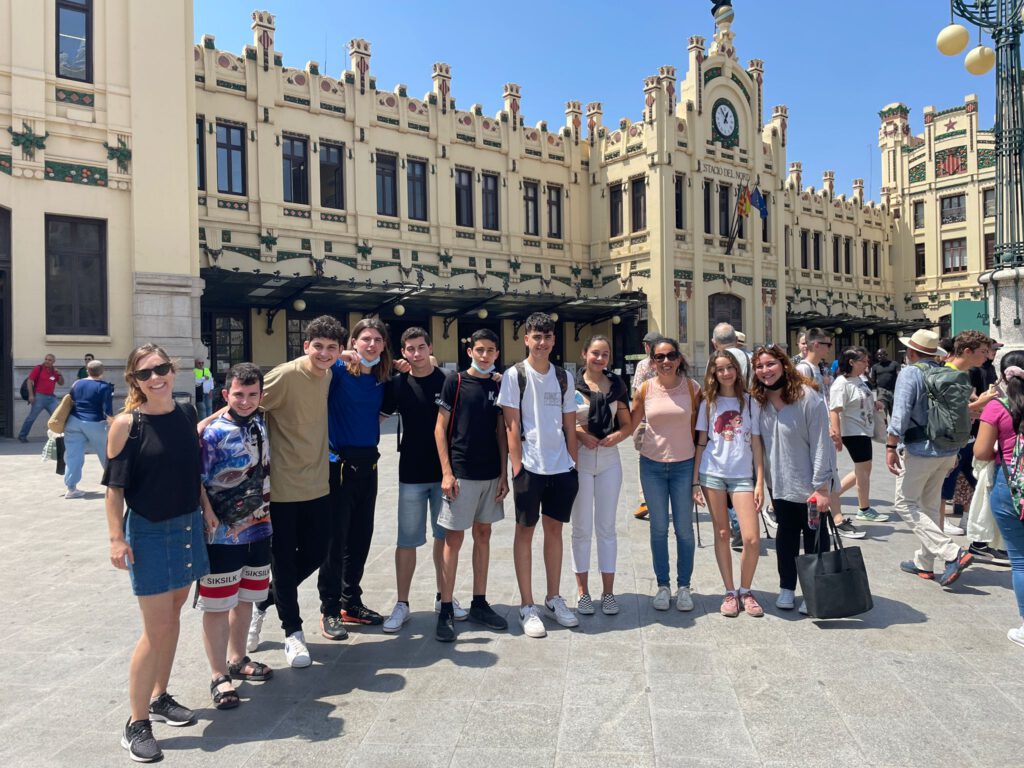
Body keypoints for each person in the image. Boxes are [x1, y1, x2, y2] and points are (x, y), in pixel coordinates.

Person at [103, 344, 210, 763]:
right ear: (135, 381)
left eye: (161, 369)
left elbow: (193, 470)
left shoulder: (186, 413)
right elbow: (114, 490)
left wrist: (206, 508)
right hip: (148, 531)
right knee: (157, 626)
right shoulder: (127, 425)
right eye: (145, 374)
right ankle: (136, 723)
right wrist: (116, 537)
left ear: (172, 369)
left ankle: (160, 696)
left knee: (175, 613)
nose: (156, 378)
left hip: (187, 525)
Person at [249, 316, 345, 668]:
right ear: (305, 346)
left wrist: (347, 354)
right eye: (317, 346)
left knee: (319, 552)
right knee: (284, 561)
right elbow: (245, 404)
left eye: (331, 348)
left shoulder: (329, 371)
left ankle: (264, 599)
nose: (324, 353)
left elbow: (346, 357)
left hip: (318, 483)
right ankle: (294, 633)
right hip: (282, 489)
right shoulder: (285, 375)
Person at [197, 363, 274, 711]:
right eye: (238, 395)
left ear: (260, 395)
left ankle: (238, 657)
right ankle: (217, 675)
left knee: (247, 596)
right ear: (225, 394)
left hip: (260, 525)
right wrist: (208, 513)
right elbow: (195, 475)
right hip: (222, 531)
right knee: (217, 603)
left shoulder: (260, 422)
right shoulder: (211, 433)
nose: (245, 401)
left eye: (252, 394)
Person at [498, 312, 580, 638]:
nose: (542, 342)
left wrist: (573, 462)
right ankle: (527, 605)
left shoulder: (563, 377)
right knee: (525, 533)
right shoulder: (515, 375)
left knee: (555, 532)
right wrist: (517, 467)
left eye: (547, 337)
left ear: (554, 341)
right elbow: (511, 425)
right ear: (526, 339)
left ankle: (553, 598)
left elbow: (570, 423)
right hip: (530, 467)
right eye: (536, 336)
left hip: (561, 467)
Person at [888, 329, 988, 586]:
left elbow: (900, 412)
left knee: (905, 503)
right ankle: (924, 562)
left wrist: (890, 445)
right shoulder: (950, 373)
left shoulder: (911, 372)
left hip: (922, 449)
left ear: (911, 352)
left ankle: (952, 553)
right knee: (929, 506)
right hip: (948, 449)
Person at [320, 317, 395, 632]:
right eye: (365, 338)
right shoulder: (337, 372)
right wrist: (338, 356)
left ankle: (351, 602)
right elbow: (309, 362)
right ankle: (330, 610)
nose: (371, 344)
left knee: (361, 538)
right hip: (338, 466)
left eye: (378, 340)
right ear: (353, 342)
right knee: (335, 541)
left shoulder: (382, 376)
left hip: (370, 464)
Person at [435, 329, 510, 641]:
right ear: (470, 351)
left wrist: (504, 474)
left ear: (496, 354)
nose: (485, 355)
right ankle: (447, 608)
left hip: (491, 473)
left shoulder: (499, 385)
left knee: (483, 534)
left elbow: (502, 431)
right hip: (462, 473)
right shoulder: (455, 381)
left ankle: (479, 602)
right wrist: (446, 472)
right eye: (479, 349)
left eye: (491, 350)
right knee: (454, 540)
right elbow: (440, 429)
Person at [381, 328, 458, 635]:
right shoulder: (397, 384)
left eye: (421, 347)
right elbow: (375, 417)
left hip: (443, 473)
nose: (416, 353)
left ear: (430, 348)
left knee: (444, 539)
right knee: (407, 540)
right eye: (410, 349)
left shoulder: (449, 382)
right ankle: (402, 603)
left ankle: (445, 598)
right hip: (410, 473)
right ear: (403, 352)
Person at [750, 344, 834, 614]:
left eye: (770, 364)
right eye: (760, 366)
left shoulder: (807, 397)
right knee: (785, 537)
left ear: (784, 364)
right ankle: (787, 586)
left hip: (810, 484)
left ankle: (814, 591)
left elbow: (822, 443)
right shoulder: (759, 401)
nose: (765, 371)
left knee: (814, 539)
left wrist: (822, 487)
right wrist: (760, 483)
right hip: (780, 483)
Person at [693, 349, 765, 617]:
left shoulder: (750, 402)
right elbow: (702, 442)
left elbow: (756, 442)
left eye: (729, 367)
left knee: (751, 538)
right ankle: (729, 591)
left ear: (737, 369)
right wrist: (694, 481)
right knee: (722, 533)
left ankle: (746, 590)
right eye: (719, 369)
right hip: (712, 472)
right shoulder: (708, 403)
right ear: (713, 373)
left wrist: (759, 482)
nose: (725, 373)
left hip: (742, 476)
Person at [631, 337, 699, 612]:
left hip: (684, 465)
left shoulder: (693, 389)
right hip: (652, 465)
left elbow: (701, 430)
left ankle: (684, 586)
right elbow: (629, 423)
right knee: (658, 528)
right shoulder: (645, 389)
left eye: (671, 356)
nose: (666, 361)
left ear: (679, 358)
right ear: (652, 361)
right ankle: (663, 585)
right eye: (660, 357)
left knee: (684, 529)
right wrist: (596, 436)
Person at [571, 335, 632, 616]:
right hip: (580, 459)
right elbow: (565, 421)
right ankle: (583, 592)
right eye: (595, 353)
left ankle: (608, 593)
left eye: (605, 354)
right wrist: (582, 435)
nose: (600, 358)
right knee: (581, 528)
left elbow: (627, 425)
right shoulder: (571, 385)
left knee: (606, 527)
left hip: (608, 459)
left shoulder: (617, 386)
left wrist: (616, 438)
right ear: (585, 354)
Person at [973, 351, 1024, 648]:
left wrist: (1003, 454)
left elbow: (980, 452)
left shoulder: (997, 407)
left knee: (1019, 560)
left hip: (1010, 488)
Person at [796, 328, 864, 540]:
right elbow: (802, 407)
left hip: (823, 433)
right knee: (820, 477)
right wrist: (823, 428)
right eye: (827, 344)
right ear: (816, 345)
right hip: (813, 436)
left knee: (829, 475)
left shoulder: (819, 369)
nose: (830, 348)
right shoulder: (803, 370)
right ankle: (821, 521)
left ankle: (834, 518)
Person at [829, 347, 889, 523]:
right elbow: (835, 410)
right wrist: (837, 436)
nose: (867, 364)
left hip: (864, 428)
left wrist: (875, 403)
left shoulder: (859, 380)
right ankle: (864, 508)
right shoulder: (841, 384)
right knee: (863, 470)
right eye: (863, 360)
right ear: (851, 362)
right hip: (853, 432)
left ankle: (835, 494)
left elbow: (862, 399)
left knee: (863, 469)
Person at [63, 358, 114, 498]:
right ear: (102, 371)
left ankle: (71, 488)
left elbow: (71, 400)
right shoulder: (104, 387)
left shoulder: (76, 383)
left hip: (73, 421)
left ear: (87, 370)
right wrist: (113, 424)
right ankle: (113, 484)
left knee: (73, 456)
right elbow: (107, 410)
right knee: (106, 454)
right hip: (95, 423)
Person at [631, 331, 663, 519]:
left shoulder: (644, 364)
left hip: (645, 420)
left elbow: (637, 393)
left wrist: (632, 421)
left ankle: (646, 499)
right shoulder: (670, 362)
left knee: (644, 459)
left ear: (648, 346)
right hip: (667, 420)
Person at [19, 353, 64, 442]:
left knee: (57, 417)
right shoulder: (38, 368)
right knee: (32, 417)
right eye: (46, 359)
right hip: (39, 397)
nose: (47, 361)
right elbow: (29, 381)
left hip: (51, 398)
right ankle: (22, 435)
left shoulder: (54, 371)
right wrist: (31, 395)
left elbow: (61, 383)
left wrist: (60, 374)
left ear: (53, 362)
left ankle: (60, 437)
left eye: (49, 360)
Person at [870, 348, 900, 418]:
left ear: (886, 355)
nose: (879, 356)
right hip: (881, 391)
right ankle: (884, 428)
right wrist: (866, 375)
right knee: (882, 413)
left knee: (894, 413)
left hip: (893, 391)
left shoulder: (894, 364)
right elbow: (873, 381)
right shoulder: (875, 367)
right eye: (878, 355)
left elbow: (899, 376)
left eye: (881, 354)